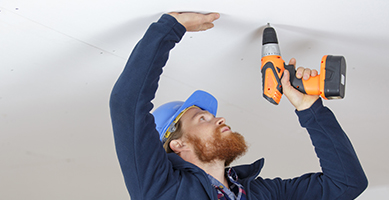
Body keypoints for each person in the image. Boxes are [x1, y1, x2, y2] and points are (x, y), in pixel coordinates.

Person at [109, 12, 368, 200]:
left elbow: (346, 184)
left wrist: (310, 109)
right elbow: (127, 104)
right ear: (178, 144)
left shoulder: (262, 193)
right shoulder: (160, 188)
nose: (219, 119)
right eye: (202, 118)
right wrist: (169, 28)